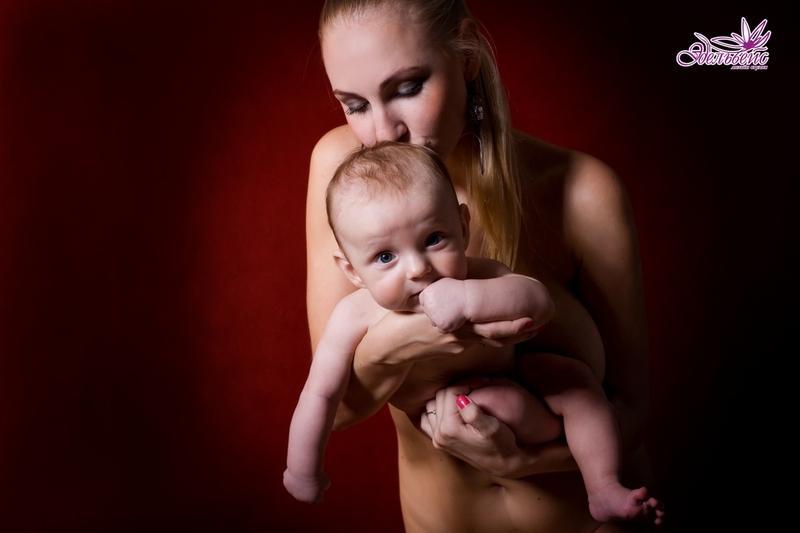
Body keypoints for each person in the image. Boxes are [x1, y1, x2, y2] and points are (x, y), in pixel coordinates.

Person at [306, 1, 660, 531]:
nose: (382, 132)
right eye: (354, 104)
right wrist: (415, 336)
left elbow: (631, 410)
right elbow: (336, 407)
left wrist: (522, 462)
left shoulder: (584, 194)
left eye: (407, 88)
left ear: (467, 54)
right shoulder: (345, 179)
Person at [287, 142, 663, 525]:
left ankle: (603, 487)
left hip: (515, 384)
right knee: (508, 403)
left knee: (577, 384)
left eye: (433, 239)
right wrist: (303, 469)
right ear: (352, 272)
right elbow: (320, 394)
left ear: (463, 228)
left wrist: (468, 299)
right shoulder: (352, 315)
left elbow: (538, 302)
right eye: (386, 257)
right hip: (456, 415)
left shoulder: (479, 273)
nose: (417, 268)